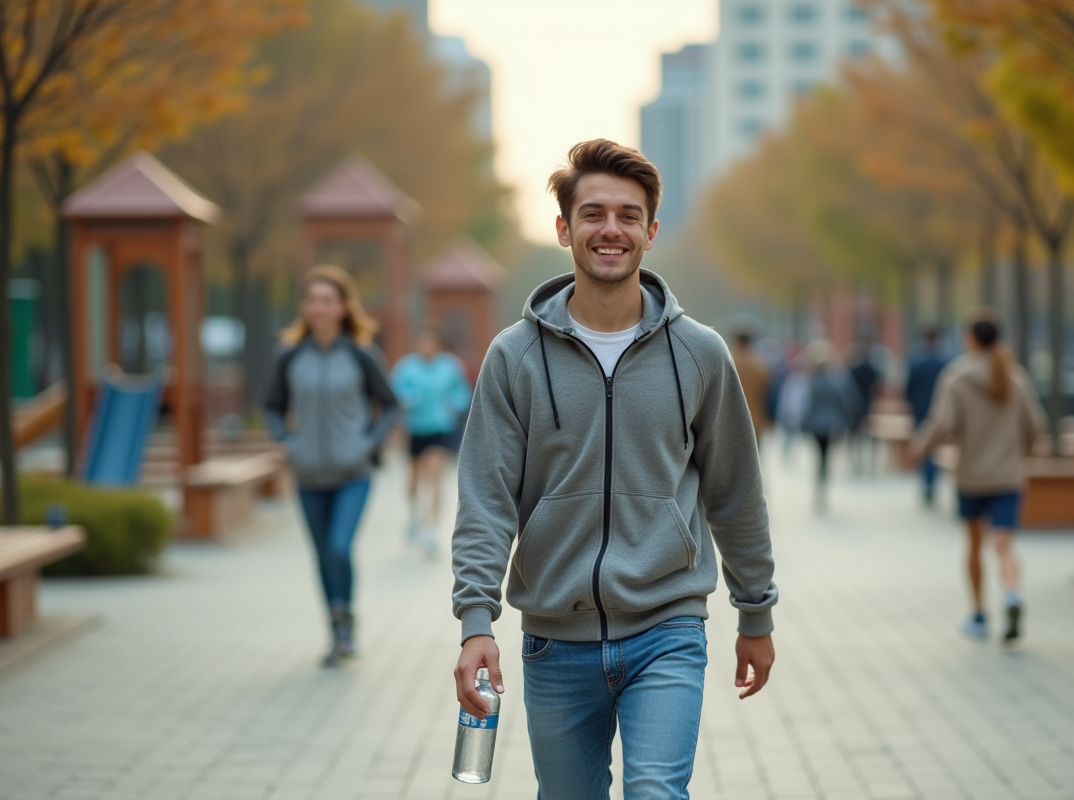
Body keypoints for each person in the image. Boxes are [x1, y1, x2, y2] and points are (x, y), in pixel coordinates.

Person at [451, 139, 778, 798]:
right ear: (563, 228)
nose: (611, 229)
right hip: (554, 639)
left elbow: (735, 494)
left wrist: (757, 615)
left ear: (651, 232)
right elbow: (486, 501)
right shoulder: (514, 358)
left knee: (657, 792)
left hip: (667, 627)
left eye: (629, 216)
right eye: (593, 213)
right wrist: (475, 623)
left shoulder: (699, 354)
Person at [264, 265, 399, 667]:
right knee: (323, 555)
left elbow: (390, 405)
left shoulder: (361, 355)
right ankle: (336, 629)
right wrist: (287, 442)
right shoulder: (289, 357)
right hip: (307, 475)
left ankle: (346, 620)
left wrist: (369, 443)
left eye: (326, 300)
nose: (318, 308)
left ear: (342, 307)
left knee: (340, 547)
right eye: (312, 300)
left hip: (352, 473)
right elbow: (272, 406)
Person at [913, 313, 1045, 644]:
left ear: (971, 339)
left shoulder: (957, 377)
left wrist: (921, 447)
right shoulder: (1015, 377)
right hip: (1008, 476)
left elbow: (942, 423)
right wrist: (1019, 455)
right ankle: (1012, 594)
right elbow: (1035, 426)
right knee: (1004, 544)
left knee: (974, 544)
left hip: (971, 476)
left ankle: (978, 614)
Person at [390, 324, 472, 554]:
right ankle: (415, 514)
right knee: (414, 481)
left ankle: (431, 529)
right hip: (415, 428)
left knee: (434, 475)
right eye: (422, 342)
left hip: (440, 426)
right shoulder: (407, 367)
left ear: (438, 344)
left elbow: (462, 391)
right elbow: (395, 390)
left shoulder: (450, 366)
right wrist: (407, 398)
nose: (426, 346)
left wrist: (454, 405)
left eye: (430, 342)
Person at [799, 340, 859, 512]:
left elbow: (807, 406)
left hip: (815, 426)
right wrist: (848, 422)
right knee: (826, 457)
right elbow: (844, 403)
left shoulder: (812, 384)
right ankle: (823, 486)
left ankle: (819, 486)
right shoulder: (835, 382)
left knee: (819, 457)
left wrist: (803, 425)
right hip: (831, 426)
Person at [905, 326, 949, 507]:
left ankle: (927, 481)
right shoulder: (945, 362)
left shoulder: (916, 362)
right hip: (939, 410)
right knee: (935, 448)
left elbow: (909, 388)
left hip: (920, 410)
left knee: (924, 446)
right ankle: (931, 482)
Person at [730, 329, 772, 448]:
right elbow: (767, 396)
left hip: (731, 421)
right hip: (756, 420)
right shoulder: (760, 366)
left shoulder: (729, 363)